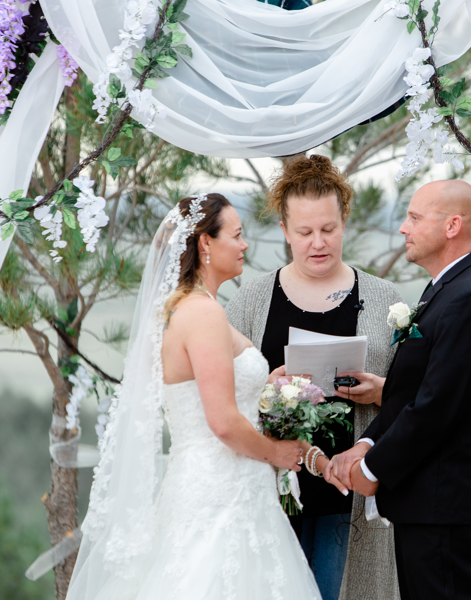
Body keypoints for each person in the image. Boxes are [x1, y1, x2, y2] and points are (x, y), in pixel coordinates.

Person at [65, 194, 321, 600]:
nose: (244, 245)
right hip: (224, 493)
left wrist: (266, 386)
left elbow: (210, 393)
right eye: (236, 236)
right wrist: (278, 453)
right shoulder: (202, 313)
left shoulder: (179, 309)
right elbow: (221, 421)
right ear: (205, 243)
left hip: (209, 485)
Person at [226, 154, 402, 600]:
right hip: (266, 494)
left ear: (345, 220)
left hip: (349, 497)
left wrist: (383, 393)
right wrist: (266, 388)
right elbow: (217, 396)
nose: (317, 243)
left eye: (328, 229)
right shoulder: (251, 301)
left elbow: (418, 399)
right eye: (304, 232)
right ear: (284, 231)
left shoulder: (384, 299)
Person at [330, 179, 471, 600]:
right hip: (427, 501)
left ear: (452, 225)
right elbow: (414, 391)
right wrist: (367, 442)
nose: (403, 228)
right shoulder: (445, 290)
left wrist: (372, 468)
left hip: (443, 502)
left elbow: (436, 408)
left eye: (414, 217)